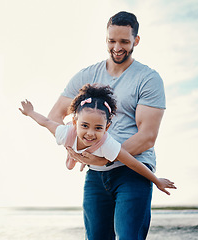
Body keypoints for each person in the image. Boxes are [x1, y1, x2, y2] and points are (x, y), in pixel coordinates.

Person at [47, 11, 168, 240]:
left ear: (136, 41)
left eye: (124, 41)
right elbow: (54, 116)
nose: (117, 47)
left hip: (134, 170)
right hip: (96, 175)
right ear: (106, 39)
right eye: (112, 41)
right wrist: (76, 149)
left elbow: (147, 137)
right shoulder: (86, 75)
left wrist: (104, 157)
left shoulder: (148, 79)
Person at [19, 84, 175, 198]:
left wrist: (157, 180)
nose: (90, 133)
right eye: (85, 126)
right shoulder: (65, 132)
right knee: (70, 161)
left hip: (95, 153)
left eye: (98, 128)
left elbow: (132, 162)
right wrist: (30, 112)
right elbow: (46, 122)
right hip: (72, 142)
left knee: (87, 151)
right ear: (75, 122)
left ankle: (78, 155)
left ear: (106, 127)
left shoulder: (107, 144)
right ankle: (73, 155)